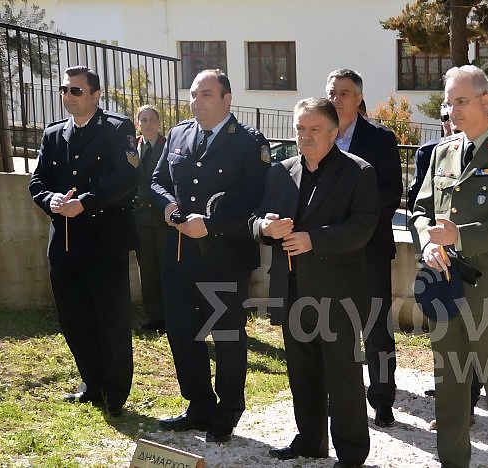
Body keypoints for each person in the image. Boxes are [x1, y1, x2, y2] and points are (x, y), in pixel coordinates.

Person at [409, 65, 488, 467]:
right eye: (449, 103)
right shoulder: (443, 151)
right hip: (444, 285)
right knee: (448, 385)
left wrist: (458, 236)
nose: (452, 111)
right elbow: (420, 209)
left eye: (461, 102)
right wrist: (427, 240)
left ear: (486, 101)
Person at [251, 97, 379, 468]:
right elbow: (256, 219)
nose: (305, 137)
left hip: (336, 293)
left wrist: (314, 240)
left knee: (343, 375)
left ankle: (352, 453)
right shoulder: (280, 171)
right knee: (302, 373)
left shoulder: (358, 172)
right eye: (299, 129)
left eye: (314, 130)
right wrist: (265, 227)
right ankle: (309, 441)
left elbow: (362, 228)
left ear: (334, 131)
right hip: (290, 290)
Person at [152, 69, 270, 443]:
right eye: (193, 94)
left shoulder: (249, 142)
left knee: (226, 334)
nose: (196, 102)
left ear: (226, 99)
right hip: (181, 253)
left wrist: (213, 224)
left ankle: (228, 410)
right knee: (182, 331)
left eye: (205, 94)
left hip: (225, 256)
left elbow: (257, 199)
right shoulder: (179, 133)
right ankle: (198, 404)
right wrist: (170, 209)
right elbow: (157, 181)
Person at [28, 65, 139, 418]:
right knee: (74, 319)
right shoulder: (53, 134)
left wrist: (85, 202)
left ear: (96, 94)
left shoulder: (117, 129)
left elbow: (126, 178)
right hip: (65, 243)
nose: (68, 96)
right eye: (64, 89)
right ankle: (91, 384)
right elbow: (38, 182)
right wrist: (52, 201)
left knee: (111, 319)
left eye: (76, 90)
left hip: (105, 241)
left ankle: (116, 393)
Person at [325, 68, 403, 427]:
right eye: (332, 93)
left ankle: (383, 397)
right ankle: (337, 395)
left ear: (358, 98)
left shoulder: (379, 139)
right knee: (332, 327)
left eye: (343, 93)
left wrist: (354, 211)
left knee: (375, 329)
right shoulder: (319, 134)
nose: (336, 99)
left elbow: (391, 191)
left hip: (368, 248)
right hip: (327, 252)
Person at [411, 106, 483, 427]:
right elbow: (420, 204)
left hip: (478, 267)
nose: (449, 120)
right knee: (445, 340)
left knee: (476, 341)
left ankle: (467, 402)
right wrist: (427, 242)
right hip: (441, 265)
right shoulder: (433, 153)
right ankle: (453, 407)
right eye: (444, 115)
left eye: (456, 110)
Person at [133, 104, 168, 334]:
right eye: (143, 120)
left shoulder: (168, 146)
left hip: (163, 218)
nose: (148, 124)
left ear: (159, 122)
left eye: (152, 119)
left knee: (167, 269)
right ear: (138, 124)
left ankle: (171, 315)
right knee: (147, 270)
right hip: (141, 219)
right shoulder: (132, 147)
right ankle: (154, 317)